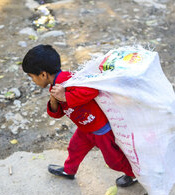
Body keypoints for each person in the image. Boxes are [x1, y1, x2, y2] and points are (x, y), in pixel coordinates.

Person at [22, 44, 136, 187]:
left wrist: (65, 97)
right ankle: (69, 171)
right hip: (84, 128)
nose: (33, 80)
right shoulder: (55, 86)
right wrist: (54, 101)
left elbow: (92, 90)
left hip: (101, 130)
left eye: (32, 77)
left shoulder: (70, 79)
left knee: (114, 160)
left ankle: (133, 174)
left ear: (43, 74)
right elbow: (58, 114)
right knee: (74, 148)